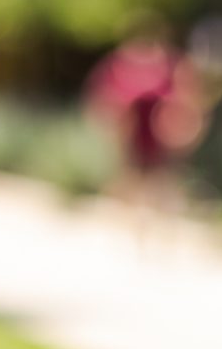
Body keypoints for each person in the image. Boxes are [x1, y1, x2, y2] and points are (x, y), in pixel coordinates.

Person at [85, 20, 203, 227]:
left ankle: (155, 226)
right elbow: (105, 100)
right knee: (131, 181)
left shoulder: (170, 64)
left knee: (161, 182)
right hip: (133, 133)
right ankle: (134, 226)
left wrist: (183, 129)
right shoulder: (120, 64)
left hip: (160, 136)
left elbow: (186, 99)